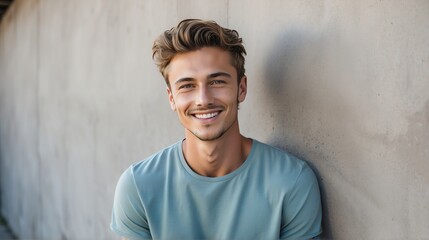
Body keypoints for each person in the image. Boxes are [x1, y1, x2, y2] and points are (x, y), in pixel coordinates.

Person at [111, 19, 322, 240]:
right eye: (187, 86)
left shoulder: (292, 182)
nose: (203, 99)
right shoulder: (139, 187)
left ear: (241, 88)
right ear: (171, 98)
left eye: (217, 82)